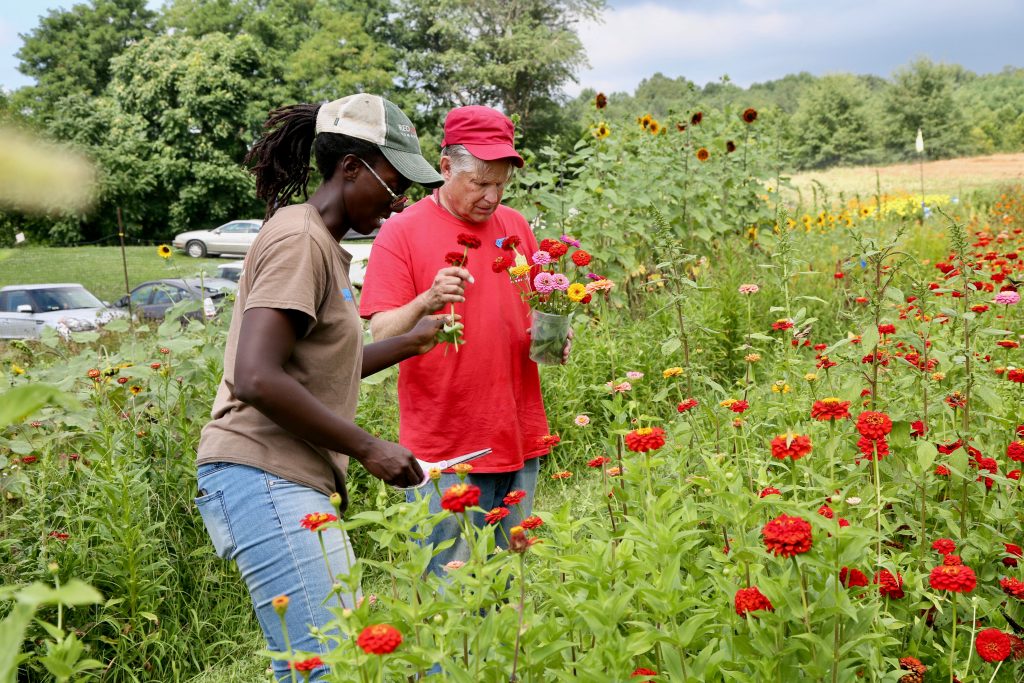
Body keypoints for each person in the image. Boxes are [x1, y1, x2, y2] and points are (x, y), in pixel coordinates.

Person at [194, 94, 445, 682]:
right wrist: (369, 447)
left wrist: (410, 342)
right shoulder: (301, 241)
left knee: (333, 661)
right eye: (394, 183)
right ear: (351, 168)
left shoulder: (319, 242)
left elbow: (316, 365)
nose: (400, 200)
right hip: (264, 474)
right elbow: (257, 376)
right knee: (324, 666)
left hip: (283, 478)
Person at [359, 105, 569, 577]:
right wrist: (427, 300)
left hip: (517, 435)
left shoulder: (515, 226)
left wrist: (553, 331)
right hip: (448, 448)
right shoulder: (402, 232)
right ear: (446, 167)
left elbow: (531, 306)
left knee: (512, 583)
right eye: (480, 183)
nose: (492, 197)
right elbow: (381, 332)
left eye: (501, 184)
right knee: (449, 589)